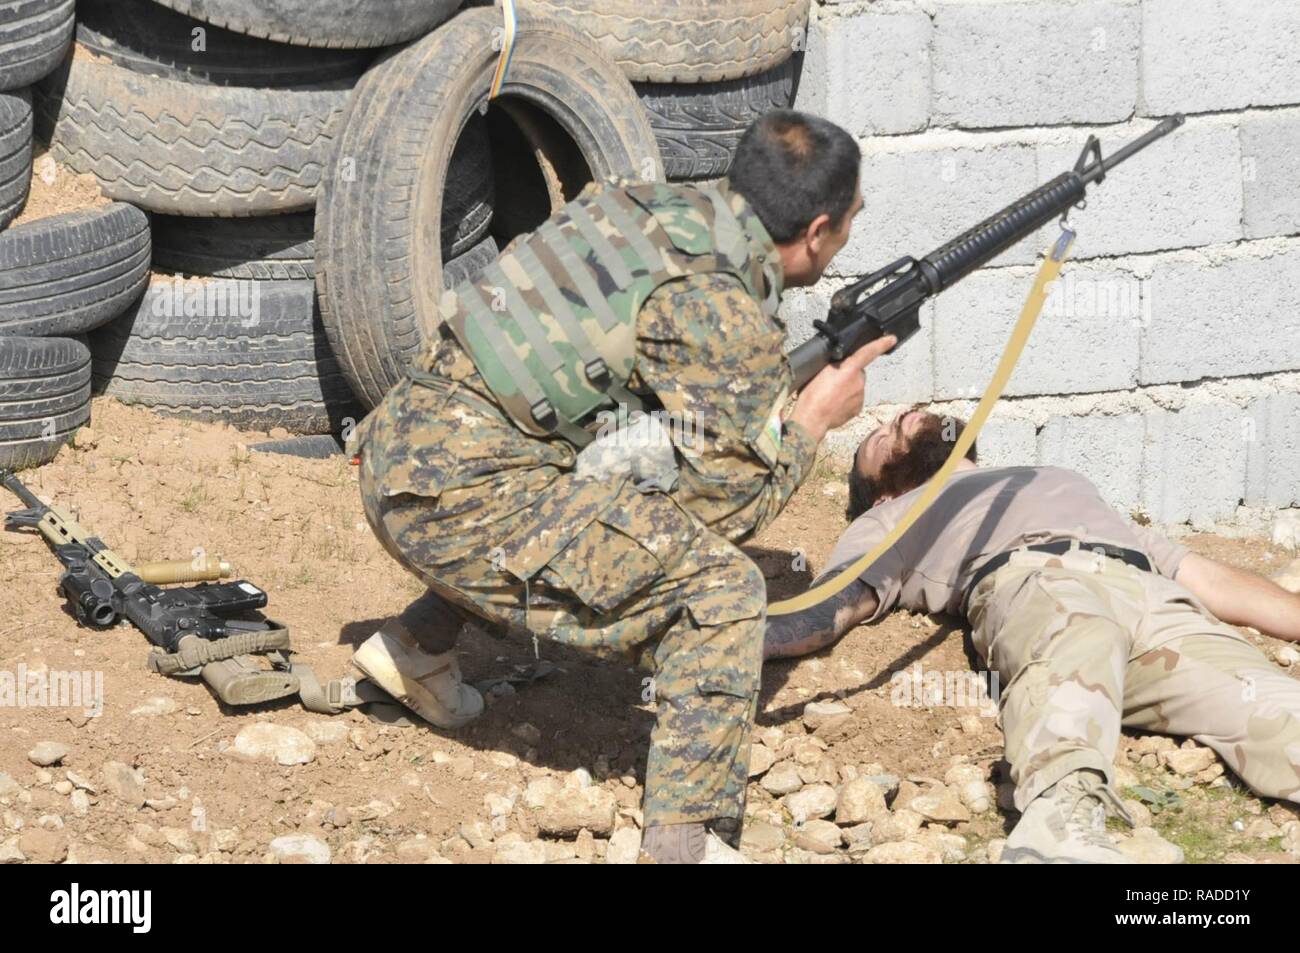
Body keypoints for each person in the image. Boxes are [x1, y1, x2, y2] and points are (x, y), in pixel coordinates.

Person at [348, 110, 896, 863]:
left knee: (605, 472)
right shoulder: (718, 303)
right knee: (723, 592)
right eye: (849, 225)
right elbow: (732, 506)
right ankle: (688, 840)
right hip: (457, 500)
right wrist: (810, 422)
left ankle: (417, 647)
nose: (846, 242)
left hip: (404, 453)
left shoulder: (650, 209)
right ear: (818, 231)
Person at [766, 408, 1300, 863]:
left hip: (1152, 596)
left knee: (1270, 701)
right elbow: (832, 606)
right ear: (882, 494)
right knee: (1076, 638)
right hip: (1040, 582)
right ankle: (1059, 831)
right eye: (881, 437)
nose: (893, 419)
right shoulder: (894, 518)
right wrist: (730, 641)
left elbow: (1200, 575)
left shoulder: (1050, 478)